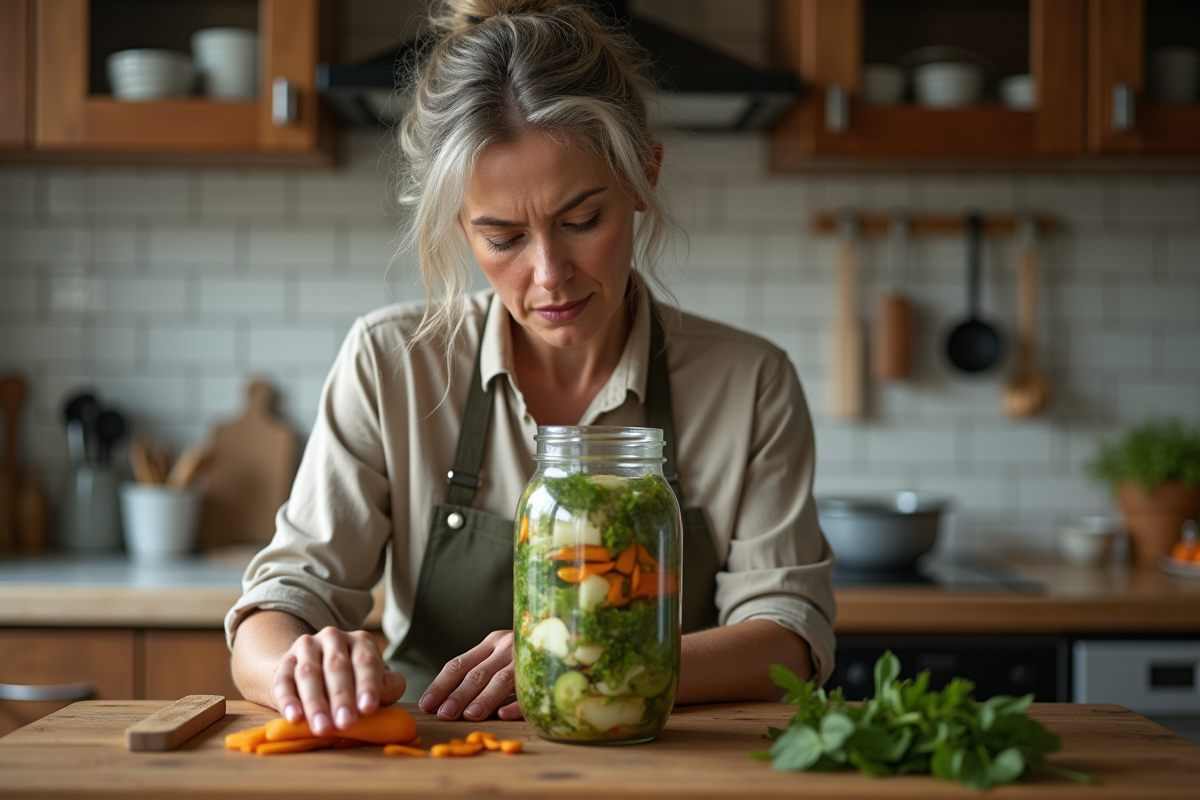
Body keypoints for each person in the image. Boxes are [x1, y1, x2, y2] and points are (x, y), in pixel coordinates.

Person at [225, 0, 835, 738]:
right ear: (459, 224)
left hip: (664, 769)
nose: (550, 274)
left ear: (645, 176)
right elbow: (284, 599)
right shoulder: (391, 364)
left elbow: (788, 637)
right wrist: (302, 665)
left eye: (582, 221)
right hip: (431, 765)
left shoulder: (750, 382)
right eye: (504, 236)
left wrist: (584, 661)